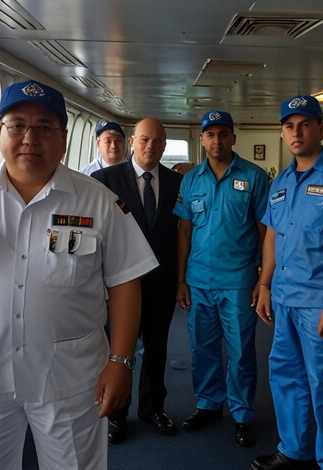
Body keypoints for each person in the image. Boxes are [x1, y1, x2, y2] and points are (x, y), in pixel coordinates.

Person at [0, 80, 158, 469]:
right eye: (17, 125)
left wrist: (121, 361)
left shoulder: (99, 202)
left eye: (44, 127)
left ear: (62, 139)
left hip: (72, 379)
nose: (30, 137)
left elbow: (125, 282)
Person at [252, 96, 323, 470]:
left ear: (320, 129)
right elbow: (272, 237)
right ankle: (294, 448)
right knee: (286, 377)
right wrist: (265, 284)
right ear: (283, 133)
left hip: (322, 302)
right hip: (285, 299)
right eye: (289, 126)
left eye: (305, 124)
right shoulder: (283, 180)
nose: (296, 132)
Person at [173, 110, 269, 448]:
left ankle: (242, 414)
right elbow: (184, 231)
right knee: (203, 348)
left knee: (242, 352)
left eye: (223, 134)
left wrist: (263, 279)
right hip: (198, 280)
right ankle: (208, 404)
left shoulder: (255, 177)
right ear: (202, 139)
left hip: (239, 281)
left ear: (233, 137)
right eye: (210, 135)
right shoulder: (190, 180)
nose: (217, 141)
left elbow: (264, 230)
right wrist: (181, 279)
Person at [92, 117, 182, 442]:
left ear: (164, 146)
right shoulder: (104, 180)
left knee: (157, 347)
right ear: (132, 142)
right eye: (144, 140)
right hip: (119, 284)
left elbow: (180, 234)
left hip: (161, 280)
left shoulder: (176, 183)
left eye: (157, 142)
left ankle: (152, 407)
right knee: (120, 350)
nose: (150, 147)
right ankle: (117, 413)